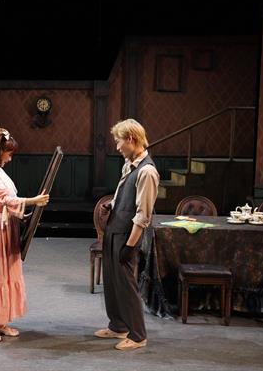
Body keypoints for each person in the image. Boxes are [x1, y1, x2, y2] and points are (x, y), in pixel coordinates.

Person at [0, 128, 49, 342]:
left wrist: (26, 214)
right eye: (9, 153)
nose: (10, 158)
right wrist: (32, 201)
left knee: (5, 273)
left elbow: (10, 201)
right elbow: (3, 200)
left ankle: (0, 320)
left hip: (6, 225)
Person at [95, 119, 159, 351]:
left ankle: (138, 335)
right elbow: (123, 194)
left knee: (126, 285)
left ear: (131, 139)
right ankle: (118, 326)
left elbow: (143, 214)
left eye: (118, 141)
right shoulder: (129, 164)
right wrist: (112, 205)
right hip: (114, 229)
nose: (117, 146)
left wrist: (130, 246)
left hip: (127, 235)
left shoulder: (147, 172)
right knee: (112, 282)